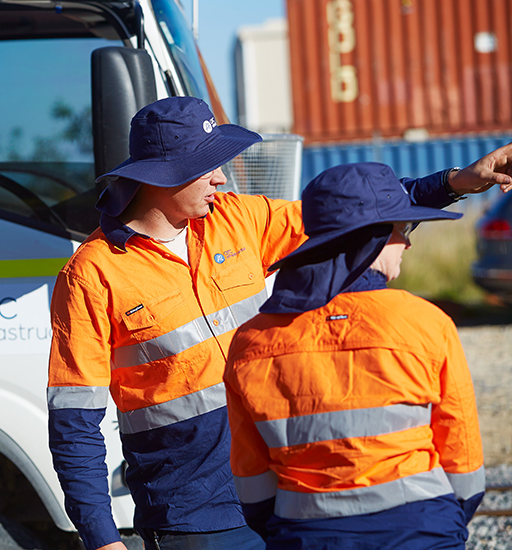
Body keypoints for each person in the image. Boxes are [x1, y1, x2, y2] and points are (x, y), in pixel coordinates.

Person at [46, 96, 511, 550]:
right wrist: (103, 538)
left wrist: (458, 181)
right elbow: (74, 420)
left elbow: (354, 214)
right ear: (164, 175)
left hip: (283, 496)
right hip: (192, 514)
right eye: (208, 166)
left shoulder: (238, 220)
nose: (221, 177)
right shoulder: (92, 274)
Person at [223, 162, 485, 549]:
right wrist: (439, 523)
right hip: (424, 530)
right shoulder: (427, 322)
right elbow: (463, 463)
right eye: (404, 229)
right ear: (373, 239)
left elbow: (253, 481)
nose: (408, 244)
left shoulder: (250, 342)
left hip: (308, 536)